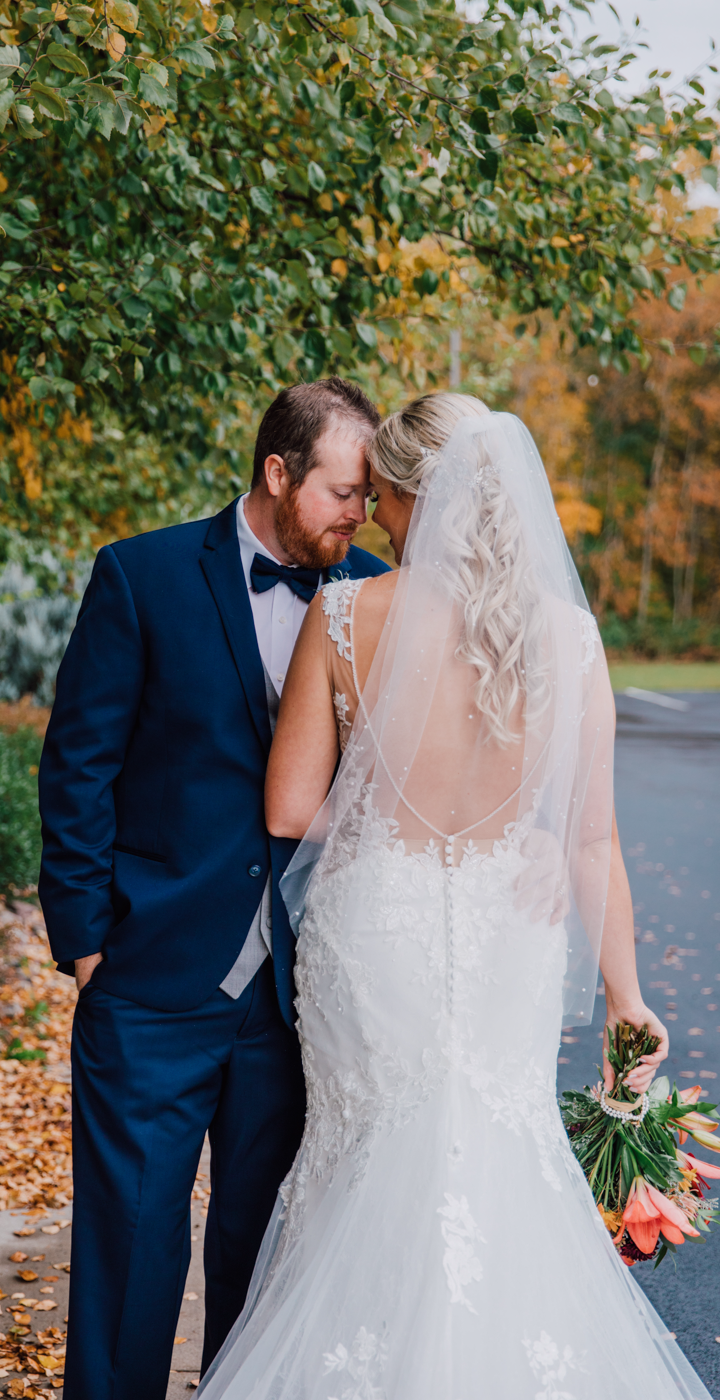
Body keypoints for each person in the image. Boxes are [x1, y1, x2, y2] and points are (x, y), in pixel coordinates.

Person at [196, 394, 711, 1400]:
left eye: (383, 498)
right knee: (497, 1148)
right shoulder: (570, 636)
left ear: (414, 498)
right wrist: (626, 996)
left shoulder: (347, 613)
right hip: (508, 930)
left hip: (373, 925)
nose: (378, 521)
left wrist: (396, 823)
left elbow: (293, 805)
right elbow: (590, 837)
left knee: (366, 1157)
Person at [37, 378, 391, 1400]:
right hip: (149, 974)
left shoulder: (370, 599)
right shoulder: (141, 576)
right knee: (131, 1250)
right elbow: (79, 764)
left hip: (301, 996)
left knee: (269, 1257)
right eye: (342, 490)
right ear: (277, 473)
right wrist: (84, 934)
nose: (358, 514)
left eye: (368, 496)